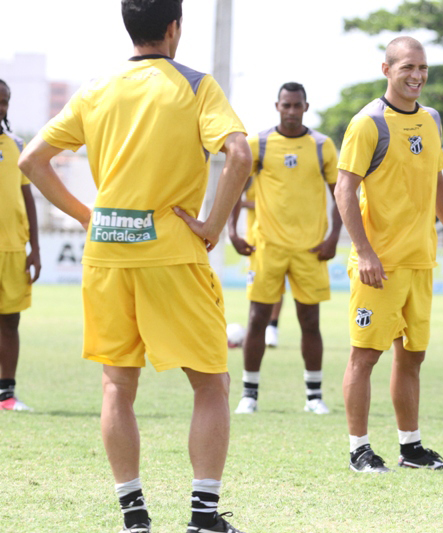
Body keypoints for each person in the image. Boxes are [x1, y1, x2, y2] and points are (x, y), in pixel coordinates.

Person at [18, 2, 251, 532]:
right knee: (210, 385)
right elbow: (238, 154)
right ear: (174, 28)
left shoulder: (96, 87)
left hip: (108, 252)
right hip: (171, 253)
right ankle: (203, 518)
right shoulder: (195, 85)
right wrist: (214, 223)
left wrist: (87, 218)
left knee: (117, 386)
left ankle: (134, 518)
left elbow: (31, 160)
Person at [335, 36, 443, 473]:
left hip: (419, 262)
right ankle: (359, 450)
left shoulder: (431, 119)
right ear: (387, 69)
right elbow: (344, 189)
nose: (417, 76)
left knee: (412, 355)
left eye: (423, 68)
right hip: (379, 266)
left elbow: (435, 181)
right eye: (408, 67)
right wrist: (365, 251)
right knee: (365, 356)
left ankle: (411, 449)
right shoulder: (368, 123)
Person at [229, 82, 341, 416]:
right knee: (257, 319)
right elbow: (237, 187)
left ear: (306, 107)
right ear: (276, 106)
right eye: (285, 105)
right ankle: (249, 395)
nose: (291, 111)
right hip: (267, 248)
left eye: (297, 105)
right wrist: (232, 231)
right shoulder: (259, 144)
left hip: (310, 249)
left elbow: (340, 195)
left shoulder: (322, 145)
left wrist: (335, 235)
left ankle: (314, 396)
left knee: (310, 321)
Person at [0, 79, 40, 412]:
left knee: (10, 322)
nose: (1, 107)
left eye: (5, 101)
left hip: (14, 250)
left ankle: (6, 396)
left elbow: (28, 200)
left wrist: (35, 249)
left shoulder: (17, 144)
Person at [239, 181, 282, 347]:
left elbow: (277, 203)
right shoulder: (249, 175)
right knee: (257, 286)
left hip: (277, 238)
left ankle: (272, 327)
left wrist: (242, 203)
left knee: (277, 284)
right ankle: (259, 329)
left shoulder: (273, 169)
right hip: (254, 240)